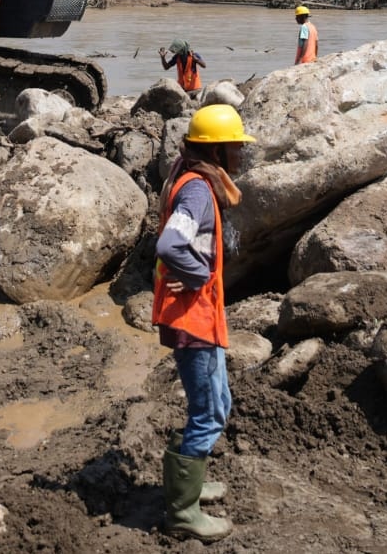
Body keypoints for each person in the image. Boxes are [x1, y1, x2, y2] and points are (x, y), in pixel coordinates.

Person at [154, 104, 257, 542]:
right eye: (235, 147)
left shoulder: (196, 176)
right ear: (216, 150)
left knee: (218, 402)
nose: (240, 155)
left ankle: (190, 483)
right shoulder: (197, 190)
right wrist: (198, 277)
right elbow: (170, 244)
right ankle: (182, 510)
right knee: (209, 412)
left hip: (202, 314)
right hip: (191, 317)